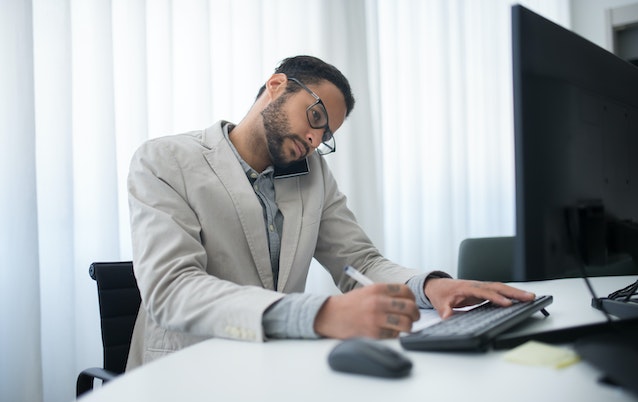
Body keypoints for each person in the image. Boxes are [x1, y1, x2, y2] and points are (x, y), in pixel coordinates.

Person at [126, 55, 535, 369]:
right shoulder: (165, 160)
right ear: (276, 85)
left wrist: (429, 286)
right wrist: (320, 314)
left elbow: (358, 261)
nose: (314, 138)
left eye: (326, 134)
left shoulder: (313, 173)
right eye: (316, 116)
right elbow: (172, 289)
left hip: (273, 368)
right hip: (187, 373)